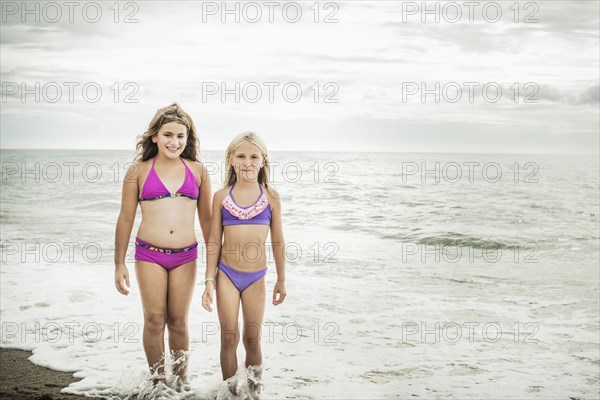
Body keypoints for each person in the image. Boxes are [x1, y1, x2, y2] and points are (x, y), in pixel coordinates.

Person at [113, 103, 212, 388]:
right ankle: (157, 383)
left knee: (178, 322)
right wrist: (119, 263)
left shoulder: (199, 171)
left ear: (188, 138)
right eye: (168, 134)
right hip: (149, 255)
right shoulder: (138, 171)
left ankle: (180, 384)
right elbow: (125, 218)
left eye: (181, 136)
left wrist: (212, 268)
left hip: (186, 256)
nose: (175, 142)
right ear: (154, 136)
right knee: (155, 319)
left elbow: (207, 221)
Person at [201, 131, 286, 396]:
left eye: (253, 156)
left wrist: (282, 279)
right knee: (229, 337)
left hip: (256, 278)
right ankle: (231, 394)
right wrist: (209, 281)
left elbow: (278, 241)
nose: (247, 162)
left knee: (252, 338)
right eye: (240, 156)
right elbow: (214, 242)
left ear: (263, 161)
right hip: (226, 274)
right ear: (230, 159)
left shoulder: (271, 196)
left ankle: (255, 392)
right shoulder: (221, 196)